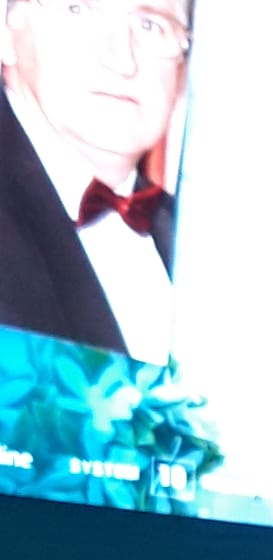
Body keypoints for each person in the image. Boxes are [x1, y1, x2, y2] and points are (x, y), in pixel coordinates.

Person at [0, 0, 191, 360]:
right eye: (79, 10)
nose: (122, 60)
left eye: (151, 25)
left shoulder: (203, 243)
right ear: (6, 33)